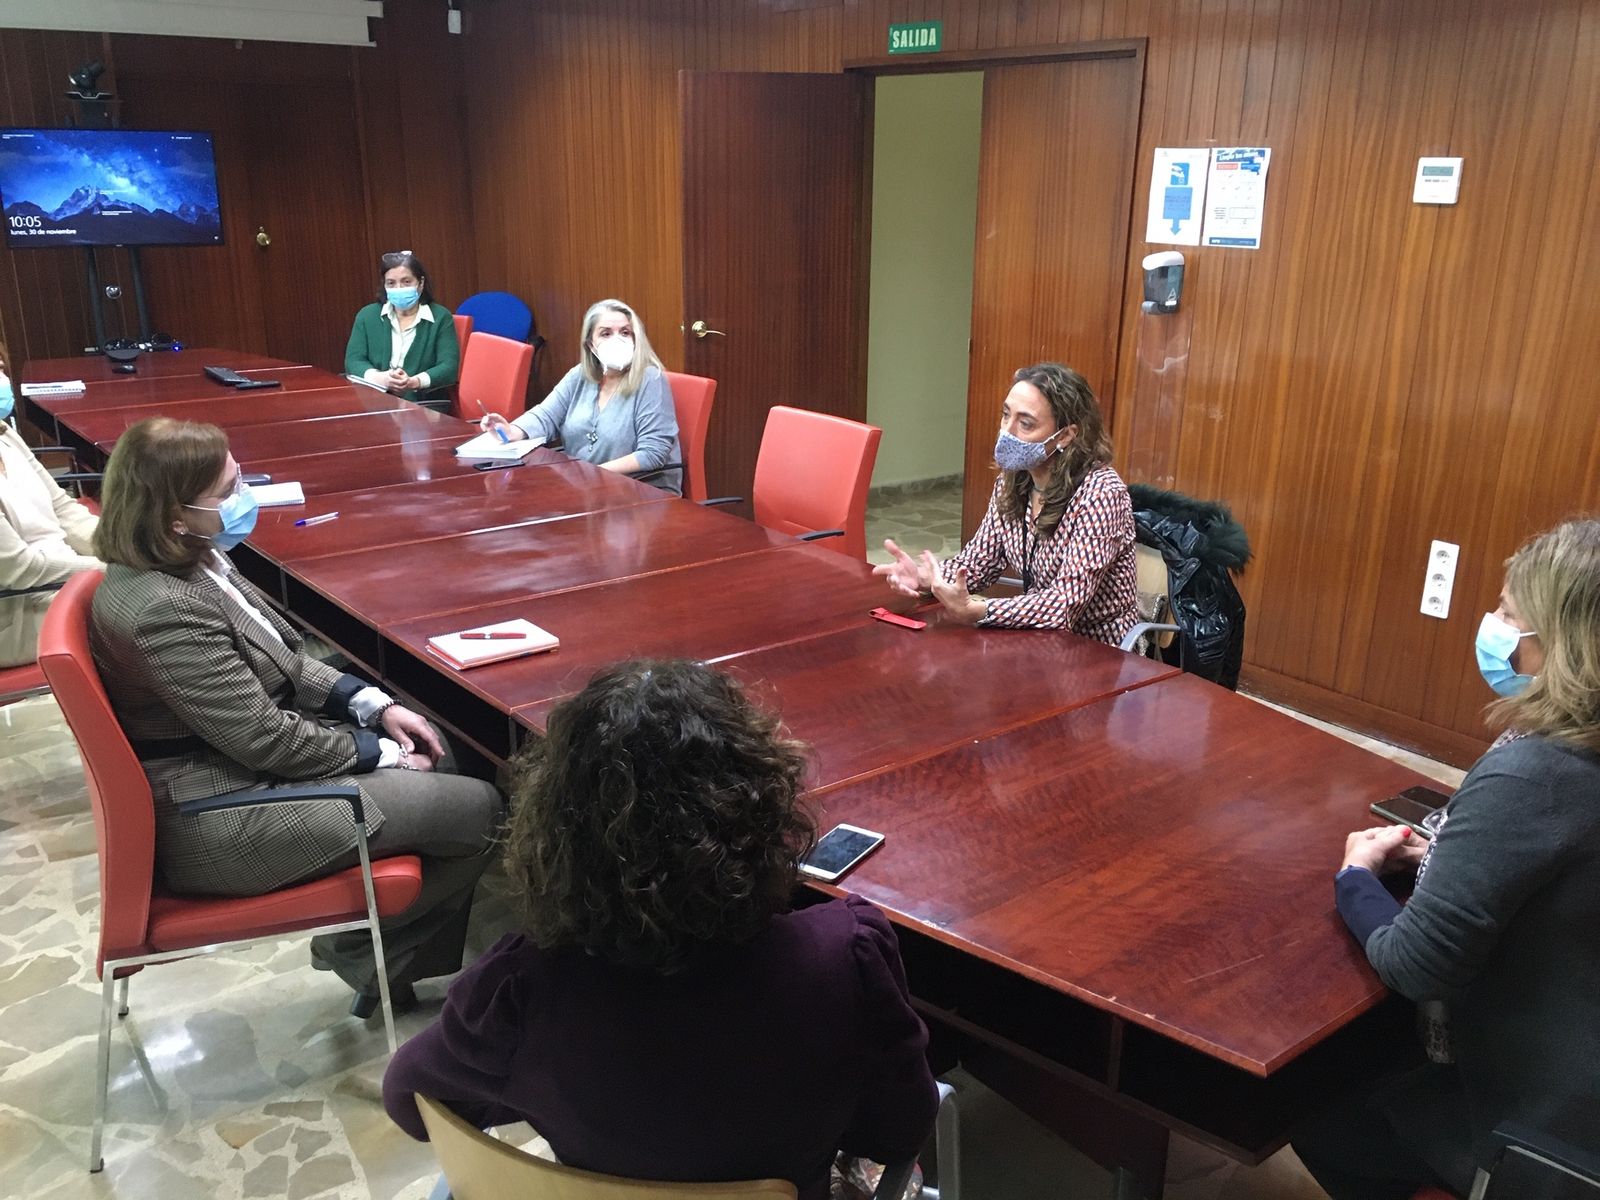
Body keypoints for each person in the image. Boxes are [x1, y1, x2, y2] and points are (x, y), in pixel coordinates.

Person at [383, 659, 938, 1199]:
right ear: (763, 803)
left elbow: (411, 1099)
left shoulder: (519, 992)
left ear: (555, 828)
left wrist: (546, 1089)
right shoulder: (844, 957)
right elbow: (897, 1132)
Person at [90, 417, 503, 1016]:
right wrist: (383, 754)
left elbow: (280, 659)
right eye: (228, 490)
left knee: (441, 749)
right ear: (175, 515)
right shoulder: (163, 608)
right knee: (484, 808)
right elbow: (264, 740)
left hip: (238, 766)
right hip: (223, 812)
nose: (243, 497)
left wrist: (372, 705)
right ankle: (359, 950)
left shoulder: (191, 558)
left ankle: (385, 960)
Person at [1293, 519, 1600, 1199]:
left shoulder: (1535, 774)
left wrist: (1356, 877)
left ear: (1561, 641)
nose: (1492, 625)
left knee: (1318, 1116)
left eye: (1508, 614)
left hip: (1549, 1128)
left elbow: (1415, 962)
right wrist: (1449, 858)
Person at [874, 362, 1137, 644]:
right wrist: (926, 577)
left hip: (1099, 647)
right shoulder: (1012, 481)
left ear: (1064, 436)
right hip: (1037, 639)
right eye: (1006, 415)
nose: (1007, 432)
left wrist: (981, 610)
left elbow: (1064, 605)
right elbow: (978, 564)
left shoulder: (1101, 494)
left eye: (1026, 423)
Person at [478, 298, 682, 494]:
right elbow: (546, 415)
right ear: (591, 345)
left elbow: (653, 453)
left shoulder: (650, 379)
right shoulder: (580, 375)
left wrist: (591, 474)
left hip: (640, 490)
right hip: (586, 488)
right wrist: (512, 431)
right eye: (606, 333)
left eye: (625, 332)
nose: (617, 339)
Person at [0, 335, 103, 667]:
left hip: (64, 581)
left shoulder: (6, 435)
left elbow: (64, 509)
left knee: (171, 571)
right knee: (158, 606)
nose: (2, 375)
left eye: (0, 365)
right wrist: (113, 570)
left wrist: (128, 546)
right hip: (16, 614)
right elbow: (20, 570)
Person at [344, 251, 460, 410]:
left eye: (406, 282)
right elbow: (353, 361)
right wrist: (381, 378)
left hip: (422, 407)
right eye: (391, 283)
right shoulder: (367, 316)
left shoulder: (440, 317)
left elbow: (448, 367)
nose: (398, 288)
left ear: (420, 283)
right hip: (374, 403)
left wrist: (414, 382)